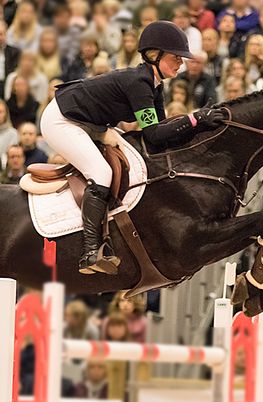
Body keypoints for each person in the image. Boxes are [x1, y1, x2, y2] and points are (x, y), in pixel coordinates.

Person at [39, 21, 227, 276]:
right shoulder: (139, 83)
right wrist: (195, 119)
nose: (181, 63)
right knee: (101, 173)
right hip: (61, 120)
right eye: (176, 57)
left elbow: (157, 137)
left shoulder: (154, 84)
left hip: (87, 121)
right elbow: (154, 132)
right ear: (154, 55)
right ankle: (90, 251)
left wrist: (198, 125)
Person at [0, 21, 21, 95]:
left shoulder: (15, 52)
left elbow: (13, 74)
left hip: (8, 88)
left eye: (1, 34)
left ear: (6, 35)